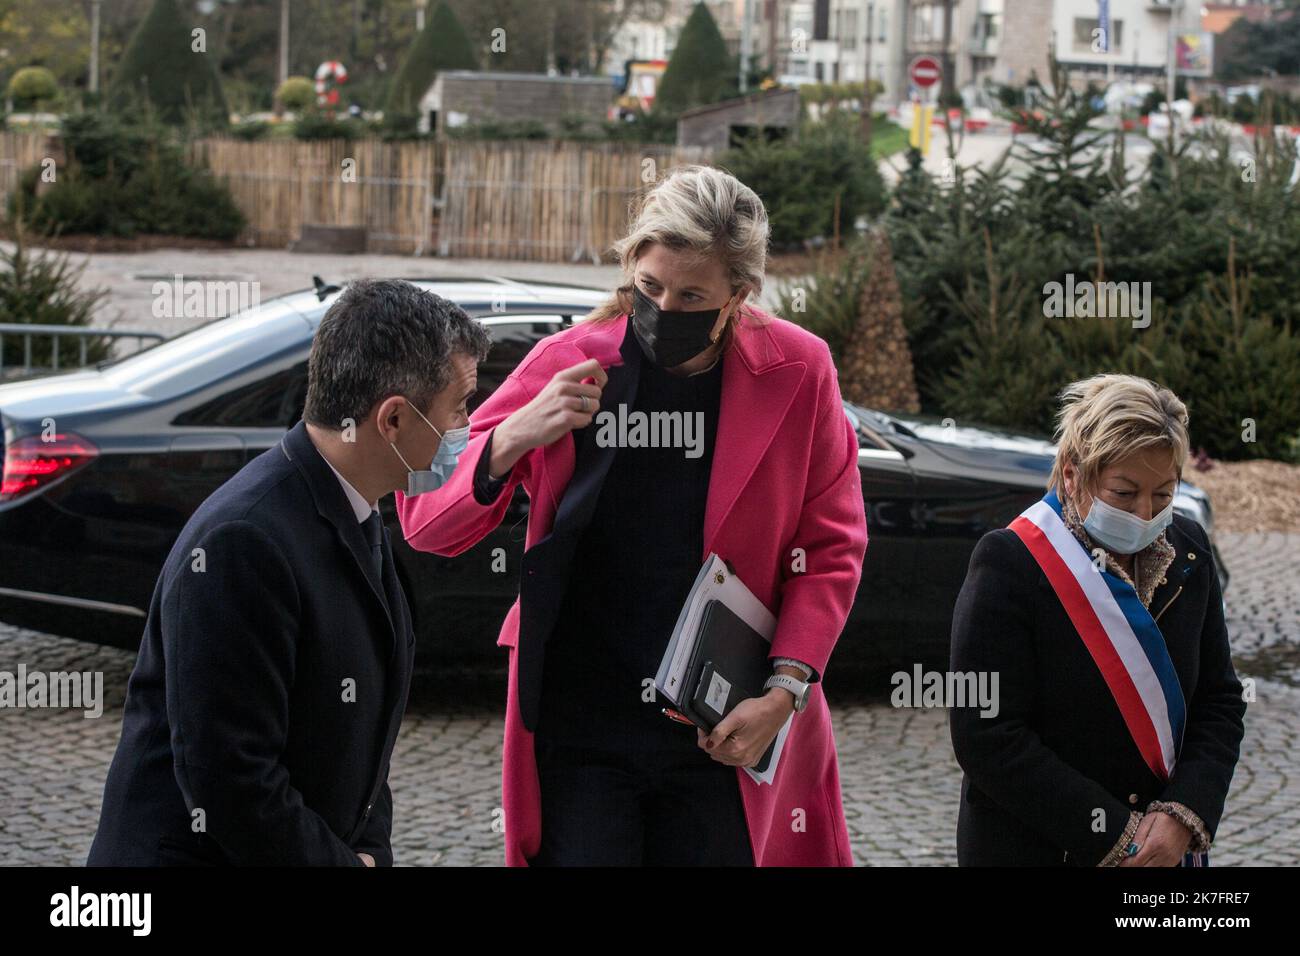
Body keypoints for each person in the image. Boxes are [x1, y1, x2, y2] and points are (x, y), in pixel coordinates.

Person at [397, 165, 868, 866]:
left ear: (739, 294)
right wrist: (512, 437)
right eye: (649, 287)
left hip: (722, 723)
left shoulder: (801, 370)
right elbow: (426, 519)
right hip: (581, 725)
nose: (664, 309)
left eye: (691, 295)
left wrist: (785, 691)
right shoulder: (570, 361)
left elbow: (830, 547)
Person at [87, 279, 491, 865]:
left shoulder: (352, 505)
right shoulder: (245, 542)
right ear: (394, 420)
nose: (467, 427)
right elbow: (228, 775)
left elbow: (364, 748)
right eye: (460, 407)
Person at [949, 374, 1246, 866]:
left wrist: (1183, 813)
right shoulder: (1010, 562)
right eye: (1124, 494)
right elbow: (987, 737)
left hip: (1165, 850)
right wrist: (1118, 835)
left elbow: (1218, 699)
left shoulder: (1188, 552)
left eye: (1163, 495)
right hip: (1041, 847)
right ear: (1073, 473)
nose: (1145, 512)